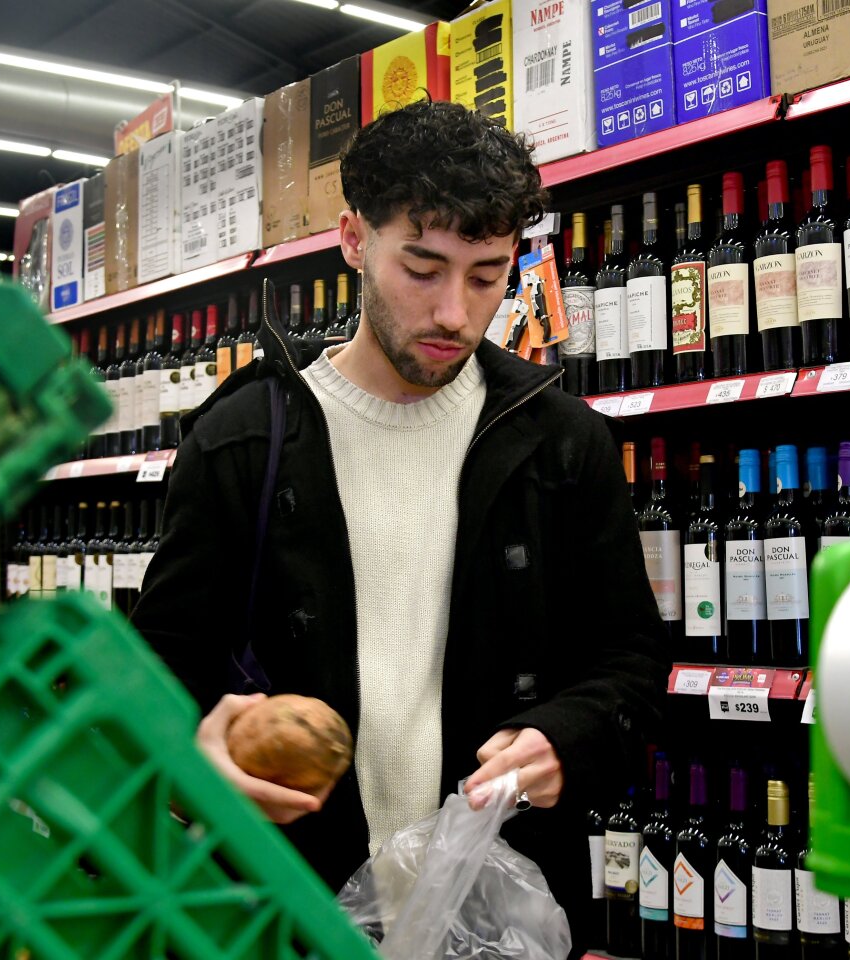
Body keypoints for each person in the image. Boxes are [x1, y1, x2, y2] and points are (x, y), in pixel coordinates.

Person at [132, 99, 667, 949]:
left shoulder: (563, 442)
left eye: (487, 276)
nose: (455, 311)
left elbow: (632, 659)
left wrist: (565, 738)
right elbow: (157, 672)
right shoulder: (243, 442)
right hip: (288, 913)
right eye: (422, 269)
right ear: (353, 240)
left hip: (499, 916)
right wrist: (196, 743)